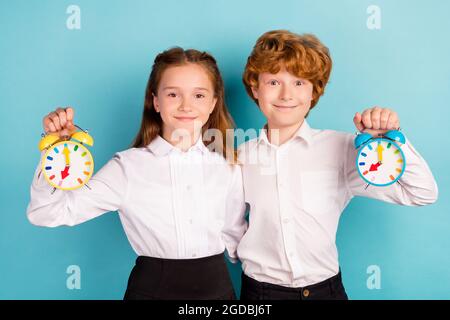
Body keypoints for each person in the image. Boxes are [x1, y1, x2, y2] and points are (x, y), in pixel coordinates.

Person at [27, 47, 247, 300]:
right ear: (156, 101)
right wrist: (59, 152)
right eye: (173, 94)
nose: (186, 105)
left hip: (217, 291)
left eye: (198, 95)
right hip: (152, 290)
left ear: (213, 103)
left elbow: (236, 239)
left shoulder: (228, 167)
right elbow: (47, 213)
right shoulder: (127, 167)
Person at [237, 30, 438, 300]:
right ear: (255, 89)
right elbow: (227, 224)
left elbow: (421, 192)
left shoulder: (343, 149)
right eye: (274, 82)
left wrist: (391, 141)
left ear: (314, 92)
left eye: (299, 83)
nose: (286, 94)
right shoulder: (239, 157)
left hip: (325, 291)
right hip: (260, 293)